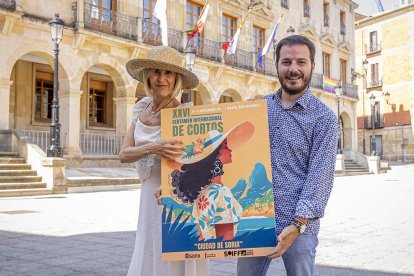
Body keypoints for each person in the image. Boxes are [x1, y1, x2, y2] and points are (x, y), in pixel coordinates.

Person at [237, 35, 338, 275]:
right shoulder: (257, 107)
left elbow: (320, 177)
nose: (293, 69)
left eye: (301, 62)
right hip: (254, 219)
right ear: (277, 65)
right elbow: (233, 154)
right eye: (286, 62)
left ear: (313, 67)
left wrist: (298, 224)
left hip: (298, 226)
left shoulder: (324, 119)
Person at [119, 46, 209, 276]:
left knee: (171, 254)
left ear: (177, 79)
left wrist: (172, 185)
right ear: (148, 75)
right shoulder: (141, 108)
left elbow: (196, 162)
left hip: (171, 194)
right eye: (157, 72)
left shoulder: (183, 114)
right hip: (147, 195)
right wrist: (154, 147)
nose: (162, 79)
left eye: (168, 73)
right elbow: (124, 154)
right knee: (148, 246)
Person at [170, 122, 253, 241]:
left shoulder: (204, 193)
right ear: (215, 155)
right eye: (225, 146)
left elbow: (201, 235)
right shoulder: (220, 193)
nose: (229, 149)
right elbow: (225, 239)